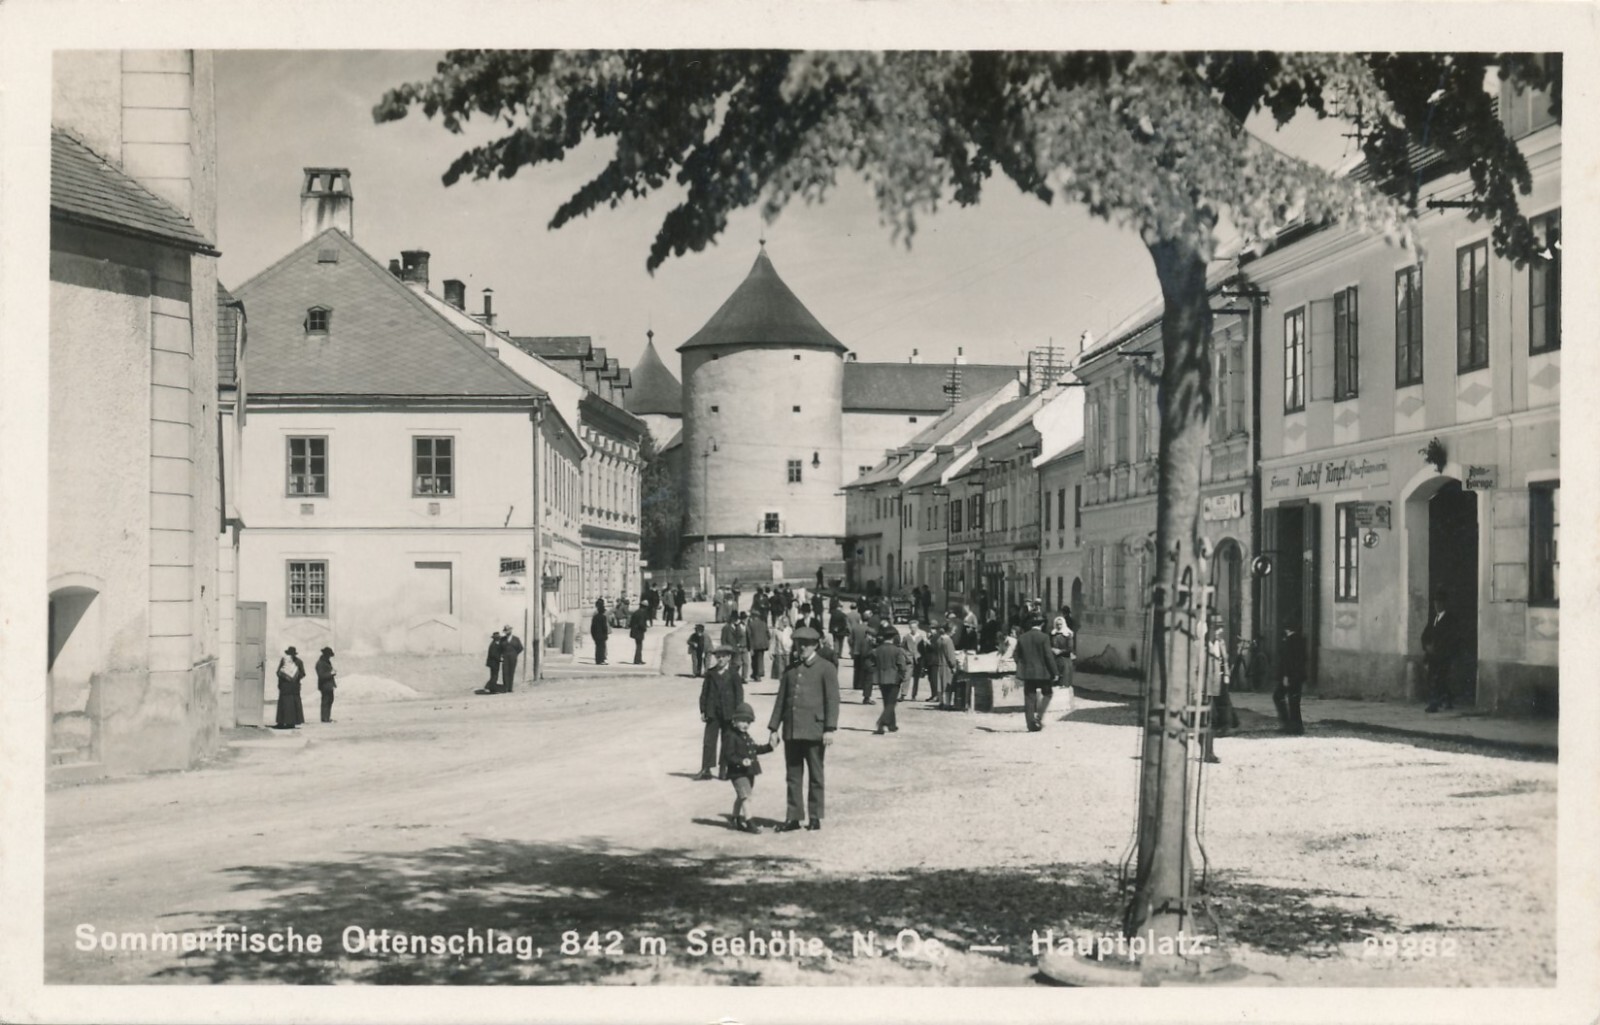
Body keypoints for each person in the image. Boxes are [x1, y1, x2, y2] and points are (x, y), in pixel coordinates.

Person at [768, 627, 840, 831]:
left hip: (814, 730)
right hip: (792, 730)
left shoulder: (826, 668)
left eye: (806, 644)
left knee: (816, 775)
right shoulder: (790, 670)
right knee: (793, 775)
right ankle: (793, 817)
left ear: (816, 645)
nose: (802, 648)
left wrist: (829, 728)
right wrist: (773, 728)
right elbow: (781, 700)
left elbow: (832, 700)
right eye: (799, 644)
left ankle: (815, 816)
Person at [722, 702, 777, 833]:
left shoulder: (745, 736)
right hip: (737, 773)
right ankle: (749, 821)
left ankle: (735, 818)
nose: (745, 724)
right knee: (746, 796)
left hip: (748, 772)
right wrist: (741, 761)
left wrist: (769, 747)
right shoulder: (730, 736)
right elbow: (728, 755)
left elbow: (754, 749)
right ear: (734, 721)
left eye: (748, 722)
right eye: (742, 721)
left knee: (741, 796)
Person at [697, 644, 745, 781]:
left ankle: (724, 768)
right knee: (709, 741)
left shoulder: (734, 674)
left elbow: (739, 695)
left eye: (723, 656)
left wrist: (738, 714)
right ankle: (706, 768)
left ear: (729, 658)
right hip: (713, 712)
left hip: (729, 713)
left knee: (727, 741)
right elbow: (704, 693)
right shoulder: (711, 673)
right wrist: (703, 710)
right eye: (718, 657)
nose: (720, 659)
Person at [1015, 615, 1059, 732]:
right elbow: (1048, 656)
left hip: (1028, 673)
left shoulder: (1022, 637)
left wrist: (1023, 666)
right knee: (1048, 694)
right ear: (1042, 624)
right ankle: (1039, 717)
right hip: (1043, 673)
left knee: (1029, 697)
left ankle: (1031, 725)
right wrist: (1055, 672)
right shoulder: (1044, 637)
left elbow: (1016, 655)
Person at [1202, 619, 1238, 763]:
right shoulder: (1205, 645)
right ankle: (1208, 746)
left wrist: (1227, 674)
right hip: (1208, 681)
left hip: (1220, 679)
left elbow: (1225, 659)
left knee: (1224, 703)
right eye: (1217, 628)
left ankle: (1225, 727)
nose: (1220, 631)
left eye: (1221, 628)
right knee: (1210, 710)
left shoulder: (1221, 643)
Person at [1421, 586, 1458, 713]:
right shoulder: (1433, 619)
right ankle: (1447, 699)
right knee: (1434, 679)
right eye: (1435, 602)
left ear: (1444, 604)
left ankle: (1434, 704)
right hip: (1432, 656)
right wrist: (1427, 646)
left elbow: (1451, 638)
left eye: (1439, 602)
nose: (1437, 605)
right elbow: (1424, 635)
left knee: (1439, 679)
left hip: (1443, 656)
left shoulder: (1450, 620)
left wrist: (1438, 648)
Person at [869, 623, 910, 735]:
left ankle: (892, 725)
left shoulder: (877, 650)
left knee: (886, 701)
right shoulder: (897, 650)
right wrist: (901, 677)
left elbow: (872, 664)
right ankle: (881, 723)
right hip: (894, 679)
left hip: (881, 678)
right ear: (893, 638)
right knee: (891, 703)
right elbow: (902, 666)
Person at [1276, 622, 1307, 735]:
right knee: (1294, 701)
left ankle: (1289, 725)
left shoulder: (1289, 641)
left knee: (1279, 697)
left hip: (1290, 676)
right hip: (1298, 676)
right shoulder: (1301, 639)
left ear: (1287, 629)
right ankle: (1296, 727)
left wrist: (1286, 676)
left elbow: (1287, 661)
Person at [273, 646, 306, 729]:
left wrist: (296, 675)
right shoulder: (284, 661)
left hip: (293, 687)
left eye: (292, 654)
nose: (291, 656)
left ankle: (291, 723)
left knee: (292, 705)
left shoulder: (299, 662)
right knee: (284, 704)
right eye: (289, 654)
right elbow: (278, 672)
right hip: (285, 686)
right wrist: (284, 674)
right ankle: (281, 722)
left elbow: (303, 673)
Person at [1049, 614, 1075, 712]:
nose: (1059, 626)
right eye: (1057, 624)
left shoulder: (1068, 635)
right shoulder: (1053, 634)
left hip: (1064, 660)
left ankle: (1065, 704)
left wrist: (1060, 651)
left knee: (1064, 681)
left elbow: (1070, 648)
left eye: (1060, 624)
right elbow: (1049, 644)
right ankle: (1055, 704)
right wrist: (1052, 649)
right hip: (1055, 660)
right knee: (1054, 681)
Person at [721, 611, 750, 679]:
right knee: (732, 663)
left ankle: (739, 677)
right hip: (729, 648)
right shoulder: (726, 627)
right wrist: (725, 648)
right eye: (735, 619)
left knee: (737, 663)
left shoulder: (736, 626)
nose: (737, 621)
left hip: (736, 648)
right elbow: (723, 639)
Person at [746, 608, 771, 683]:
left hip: (754, 645)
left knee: (754, 660)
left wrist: (750, 646)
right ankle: (757, 673)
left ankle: (757, 674)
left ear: (753, 616)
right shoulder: (763, 623)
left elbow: (749, 635)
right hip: (762, 644)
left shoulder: (750, 624)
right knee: (760, 659)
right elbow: (768, 634)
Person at [315, 646, 337, 723]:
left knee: (330, 700)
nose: (329, 657)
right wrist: (331, 674)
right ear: (325, 655)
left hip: (328, 685)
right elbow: (321, 675)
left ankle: (327, 717)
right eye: (329, 655)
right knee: (326, 701)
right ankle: (324, 718)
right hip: (324, 685)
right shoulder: (320, 663)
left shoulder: (326, 662)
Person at [499, 625, 524, 691]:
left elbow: (520, 648)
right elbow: (499, 648)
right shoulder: (502, 639)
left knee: (511, 672)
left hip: (513, 658)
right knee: (505, 672)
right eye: (506, 631)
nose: (507, 632)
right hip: (505, 658)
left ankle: (510, 688)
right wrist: (501, 655)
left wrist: (515, 654)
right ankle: (506, 688)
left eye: (508, 630)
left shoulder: (516, 639)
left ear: (511, 631)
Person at [590, 599, 610, 665]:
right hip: (602, 635)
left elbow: (592, 627)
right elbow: (604, 627)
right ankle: (602, 659)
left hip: (596, 634)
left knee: (597, 647)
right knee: (602, 647)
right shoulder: (603, 617)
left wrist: (593, 635)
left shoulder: (595, 617)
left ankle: (597, 660)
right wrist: (606, 634)